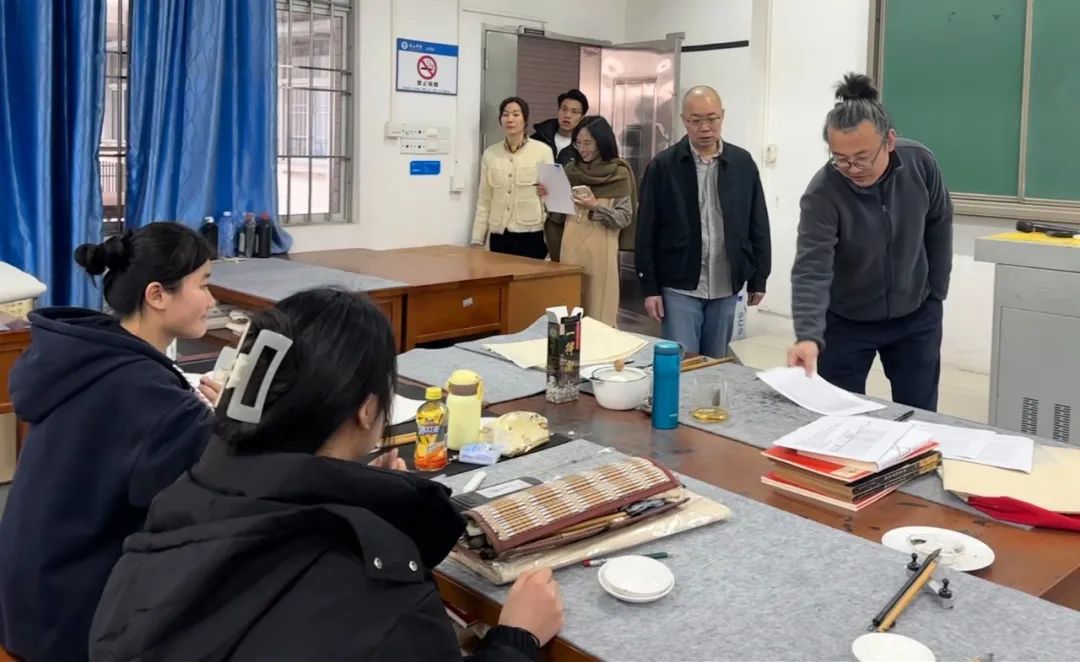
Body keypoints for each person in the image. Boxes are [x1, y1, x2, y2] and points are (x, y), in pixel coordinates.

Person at [89, 288, 565, 661]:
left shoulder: (180, 505)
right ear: (367, 410)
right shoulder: (381, 606)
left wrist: (366, 500)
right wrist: (516, 638)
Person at [0, 222, 220, 662]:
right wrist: (224, 424)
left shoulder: (86, 356)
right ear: (157, 295)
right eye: (204, 284)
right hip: (73, 625)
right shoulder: (146, 392)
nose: (212, 300)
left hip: (23, 602)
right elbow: (202, 495)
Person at [788, 73, 953, 411]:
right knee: (838, 415)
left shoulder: (920, 163)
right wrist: (808, 335)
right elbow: (812, 267)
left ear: (889, 141)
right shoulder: (823, 192)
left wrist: (935, 293)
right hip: (846, 322)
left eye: (862, 157)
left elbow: (939, 224)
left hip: (915, 317)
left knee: (919, 413)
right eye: (840, 158)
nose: (852, 168)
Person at [635, 86, 772, 358]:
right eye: (695, 120)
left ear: (723, 116)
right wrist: (650, 288)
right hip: (679, 284)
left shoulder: (742, 163)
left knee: (716, 362)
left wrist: (760, 278)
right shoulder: (664, 166)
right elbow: (646, 231)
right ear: (684, 120)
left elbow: (758, 222)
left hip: (726, 283)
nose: (705, 128)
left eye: (711, 118)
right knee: (682, 362)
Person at [539, 116, 636, 326]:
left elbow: (624, 218)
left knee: (599, 314)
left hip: (601, 253)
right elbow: (558, 217)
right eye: (578, 143)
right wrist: (549, 196)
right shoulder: (570, 170)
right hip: (570, 250)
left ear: (601, 142)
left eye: (588, 143)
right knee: (569, 314)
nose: (582, 149)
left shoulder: (619, 173)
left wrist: (595, 207)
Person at [472, 96, 554, 260]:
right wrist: (477, 239)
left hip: (532, 234)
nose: (510, 119)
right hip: (500, 234)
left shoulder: (543, 151)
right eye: (505, 114)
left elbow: (555, 197)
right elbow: (484, 200)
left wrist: (549, 192)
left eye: (516, 114)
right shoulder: (490, 154)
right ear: (500, 119)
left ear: (525, 119)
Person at [531, 88, 589, 261]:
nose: (567, 115)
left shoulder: (584, 147)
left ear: (582, 117)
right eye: (564, 109)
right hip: (534, 213)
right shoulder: (537, 139)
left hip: (566, 218)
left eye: (574, 111)